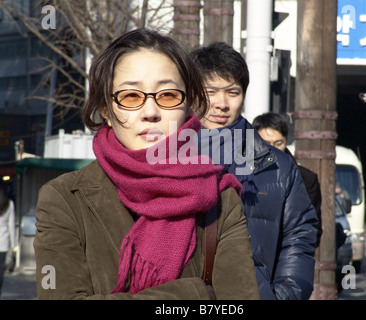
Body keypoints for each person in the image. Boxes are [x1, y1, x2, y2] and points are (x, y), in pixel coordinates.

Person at [34, 28, 259, 300]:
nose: (151, 112)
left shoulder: (220, 199)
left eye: (167, 96)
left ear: (187, 106)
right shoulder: (64, 199)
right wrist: (193, 292)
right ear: (106, 109)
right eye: (131, 97)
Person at [191, 42, 319, 300]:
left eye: (232, 92)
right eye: (210, 91)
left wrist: (281, 296)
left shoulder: (277, 166)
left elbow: (299, 237)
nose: (221, 103)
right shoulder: (166, 154)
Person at [252, 112, 323, 246]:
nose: (272, 149)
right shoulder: (241, 175)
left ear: (286, 140)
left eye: (278, 143)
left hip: (289, 256)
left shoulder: (306, 179)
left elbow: (312, 230)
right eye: (265, 143)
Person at [0, 181, 16, 297]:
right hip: (4, 243)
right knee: (0, 272)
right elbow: (11, 226)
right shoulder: (9, 204)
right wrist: (14, 246)